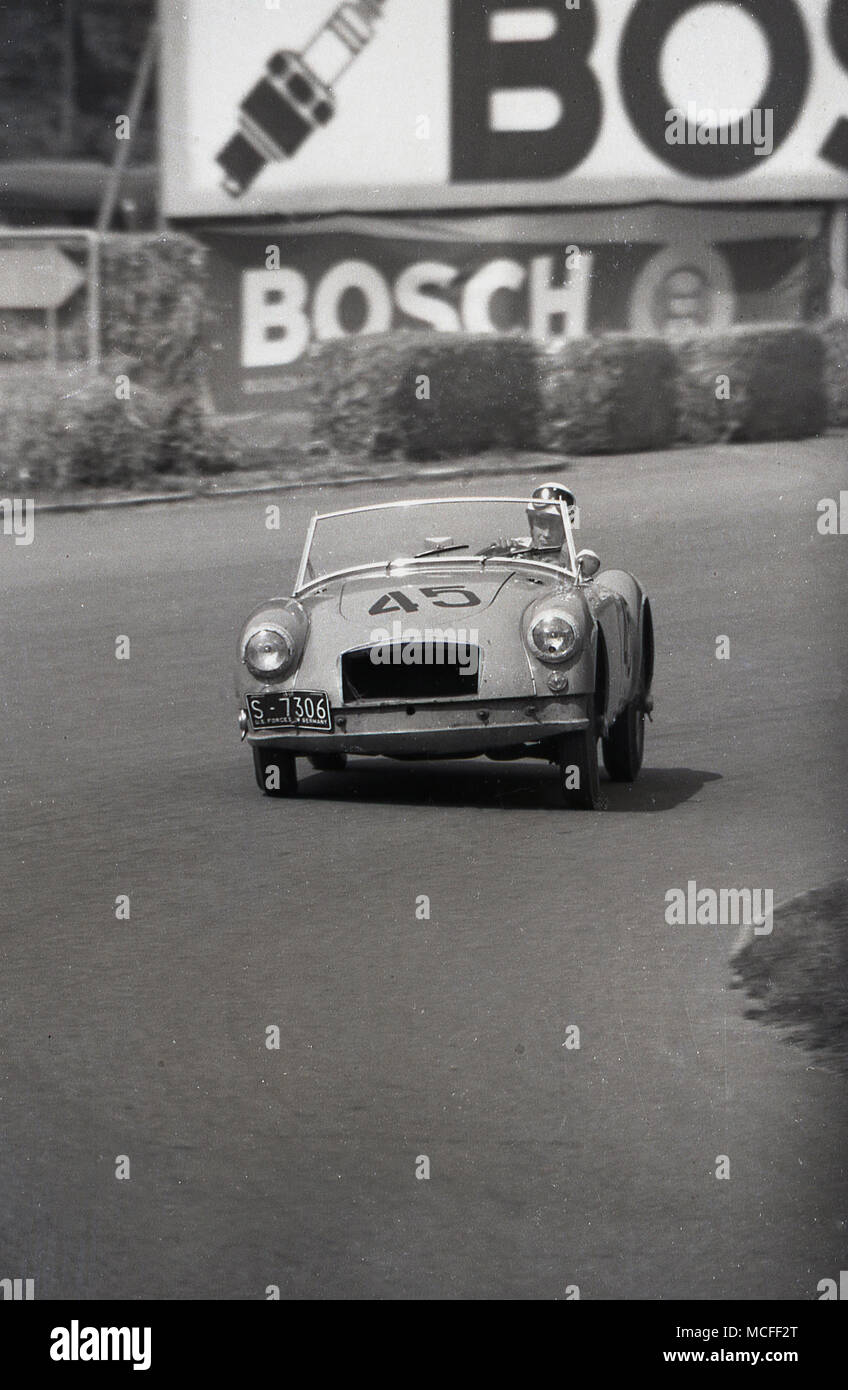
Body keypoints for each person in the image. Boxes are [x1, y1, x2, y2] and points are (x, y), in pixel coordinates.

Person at [481, 484, 576, 562]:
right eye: (541, 523)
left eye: (555, 526)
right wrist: (496, 556)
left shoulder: (572, 563)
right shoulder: (514, 548)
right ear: (531, 524)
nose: (547, 534)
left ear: (566, 530)